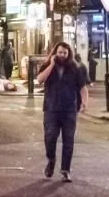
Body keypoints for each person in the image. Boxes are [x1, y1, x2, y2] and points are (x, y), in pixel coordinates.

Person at [36, 42, 87, 181]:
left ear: (69, 53)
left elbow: (82, 87)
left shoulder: (75, 68)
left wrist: (84, 102)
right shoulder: (48, 65)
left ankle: (65, 170)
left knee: (68, 141)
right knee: (50, 137)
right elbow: (39, 80)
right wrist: (51, 64)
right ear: (55, 53)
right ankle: (51, 160)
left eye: (65, 53)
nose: (62, 55)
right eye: (60, 53)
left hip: (69, 110)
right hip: (51, 109)